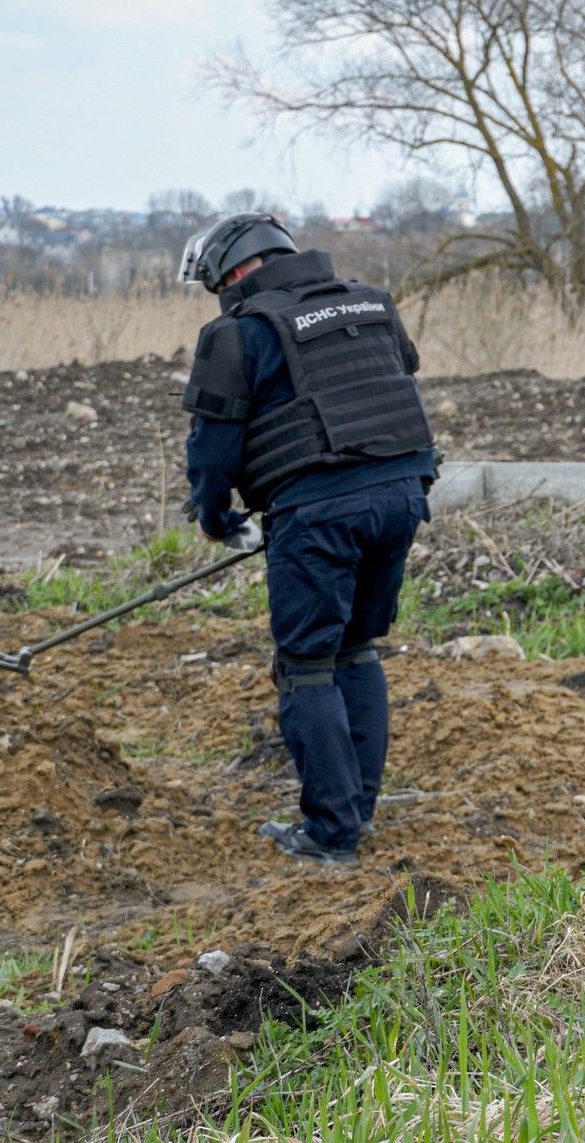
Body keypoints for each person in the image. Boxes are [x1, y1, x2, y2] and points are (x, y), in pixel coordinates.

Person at [178, 213, 436, 864]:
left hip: (319, 513)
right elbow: (395, 380)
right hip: (403, 497)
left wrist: (213, 515)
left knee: (307, 665)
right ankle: (358, 813)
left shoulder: (238, 332)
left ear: (234, 273)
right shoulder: (372, 303)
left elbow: (213, 454)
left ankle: (329, 833)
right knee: (356, 649)